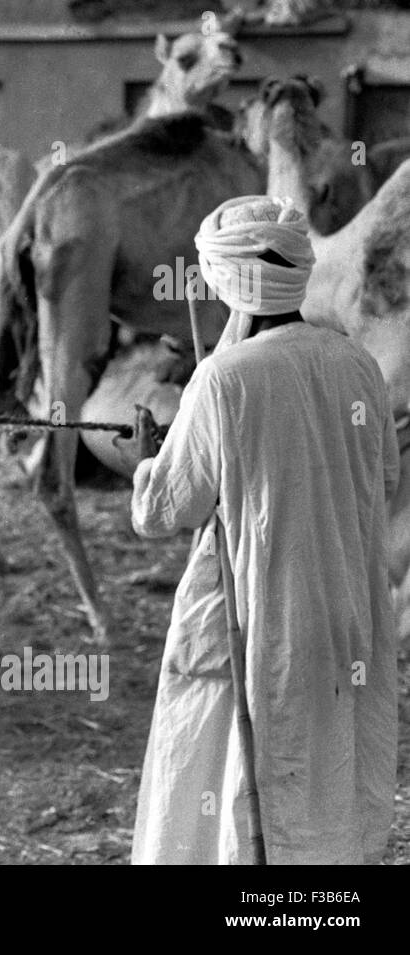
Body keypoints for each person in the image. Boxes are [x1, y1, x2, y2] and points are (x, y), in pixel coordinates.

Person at [113, 195, 400, 864]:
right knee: (323, 779)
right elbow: (383, 476)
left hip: (253, 625)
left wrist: (151, 456)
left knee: (228, 789)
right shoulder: (355, 362)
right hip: (345, 617)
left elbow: (161, 512)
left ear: (229, 279)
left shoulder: (221, 380)